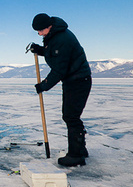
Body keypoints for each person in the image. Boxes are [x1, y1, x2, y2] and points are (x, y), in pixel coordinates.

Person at [27, 13, 92, 167]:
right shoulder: (55, 34)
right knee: (71, 116)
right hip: (74, 80)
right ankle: (80, 150)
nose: (39, 34)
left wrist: (44, 85)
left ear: (48, 26)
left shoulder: (62, 38)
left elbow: (59, 69)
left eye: (41, 30)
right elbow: (55, 54)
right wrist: (41, 50)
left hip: (78, 80)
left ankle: (76, 155)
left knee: (71, 117)